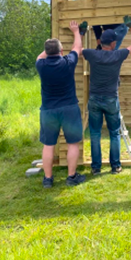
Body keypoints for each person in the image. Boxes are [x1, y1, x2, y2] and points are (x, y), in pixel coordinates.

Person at [83, 16, 131, 175]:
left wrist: (80, 33)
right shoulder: (117, 55)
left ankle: (96, 168)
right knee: (114, 133)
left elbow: (76, 50)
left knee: (95, 134)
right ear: (114, 44)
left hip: (94, 99)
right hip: (111, 99)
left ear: (100, 42)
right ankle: (115, 166)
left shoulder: (92, 55)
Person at [35, 21, 86, 188]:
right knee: (73, 143)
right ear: (61, 51)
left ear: (47, 52)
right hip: (69, 109)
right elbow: (77, 48)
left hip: (48, 111)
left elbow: (41, 55)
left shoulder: (41, 65)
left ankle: (48, 179)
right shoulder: (67, 62)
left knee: (48, 145)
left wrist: (50, 47)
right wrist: (76, 32)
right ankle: (71, 177)